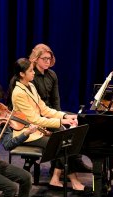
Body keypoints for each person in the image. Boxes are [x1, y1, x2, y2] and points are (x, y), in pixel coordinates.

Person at [7, 57, 91, 195]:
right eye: (30, 71)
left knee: (64, 142)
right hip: (28, 134)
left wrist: (64, 116)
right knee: (60, 144)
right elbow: (34, 119)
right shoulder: (18, 93)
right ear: (22, 74)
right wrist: (60, 122)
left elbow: (44, 109)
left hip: (37, 130)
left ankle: (57, 179)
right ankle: (74, 181)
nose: (33, 73)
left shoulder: (31, 86)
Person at [28, 43, 92, 175]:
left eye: (49, 59)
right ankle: (58, 169)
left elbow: (56, 100)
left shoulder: (52, 74)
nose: (48, 61)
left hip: (51, 111)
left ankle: (76, 162)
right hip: (38, 115)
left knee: (79, 121)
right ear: (35, 59)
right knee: (61, 132)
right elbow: (34, 107)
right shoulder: (31, 76)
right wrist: (59, 120)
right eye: (44, 58)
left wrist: (60, 116)